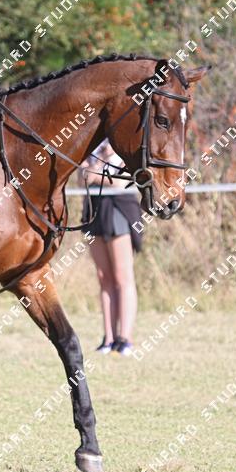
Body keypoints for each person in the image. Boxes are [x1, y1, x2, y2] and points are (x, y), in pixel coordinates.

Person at [80, 140, 143, 356]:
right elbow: (82, 178)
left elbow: (121, 182)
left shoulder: (123, 145)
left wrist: (94, 173)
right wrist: (99, 165)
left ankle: (125, 338)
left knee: (122, 276)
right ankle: (108, 338)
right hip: (94, 210)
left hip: (119, 209)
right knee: (103, 277)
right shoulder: (94, 147)